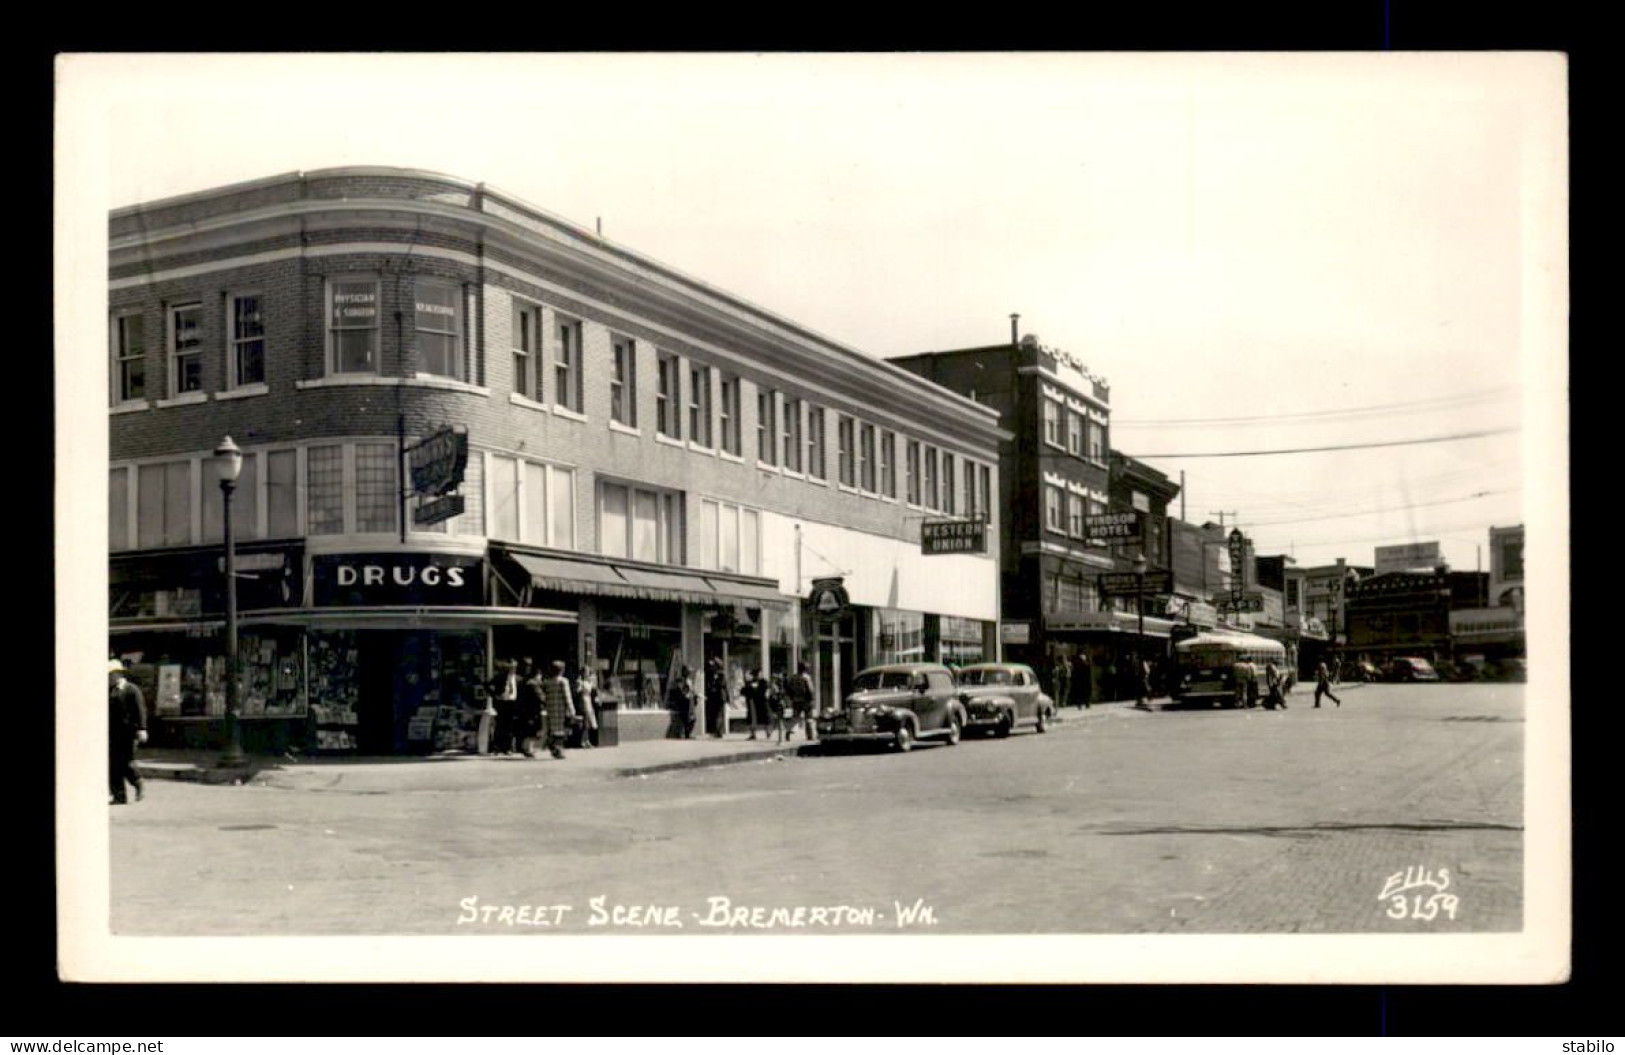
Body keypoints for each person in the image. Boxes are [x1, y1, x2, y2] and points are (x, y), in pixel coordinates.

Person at [108, 659, 148, 805]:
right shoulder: (108, 691)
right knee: (112, 764)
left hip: (128, 733)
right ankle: (118, 795)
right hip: (112, 733)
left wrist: (142, 728)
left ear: (118, 674)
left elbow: (140, 710)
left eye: (111, 675)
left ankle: (137, 782)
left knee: (126, 761)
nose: (109, 679)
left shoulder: (131, 690)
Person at [540, 660, 576, 759]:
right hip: (560, 709)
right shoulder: (563, 681)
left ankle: (554, 749)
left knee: (553, 730)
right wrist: (572, 710)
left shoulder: (547, 682)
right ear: (561, 670)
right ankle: (558, 750)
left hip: (550, 708)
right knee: (560, 731)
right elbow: (567, 697)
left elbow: (545, 695)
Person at [487, 659, 520, 755]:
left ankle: (507, 748)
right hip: (502, 703)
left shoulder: (518, 678)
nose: (512, 669)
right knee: (500, 726)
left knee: (510, 727)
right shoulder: (500, 677)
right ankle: (497, 747)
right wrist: (494, 695)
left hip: (513, 703)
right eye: (511, 667)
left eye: (514, 667)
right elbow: (487, 685)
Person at [785, 661, 816, 741]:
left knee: (795, 717)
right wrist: (812, 699)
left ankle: (789, 731)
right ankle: (810, 735)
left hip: (796, 700)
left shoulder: (793, 677)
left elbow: (788, 689)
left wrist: (792, 697)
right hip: (806, 700)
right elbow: (810, 690)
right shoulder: (806, 677)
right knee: (809, 717)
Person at [573, 665, 599, 748]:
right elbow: (577, 691)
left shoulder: (589, 682)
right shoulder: (579, 681)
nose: (587, 674)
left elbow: (594, 690)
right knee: (585, 721)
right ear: (583, 673)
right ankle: (583, 741)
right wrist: (580, 686)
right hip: (583, 701)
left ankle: (587, 740)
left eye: (588, 672)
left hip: (588, 701)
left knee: (589, 722)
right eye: (586, 672)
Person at [742, 669, 771, 741]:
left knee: (764, 717)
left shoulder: (764, 682)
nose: (759, 676)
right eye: (758, 674)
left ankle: (767, 732)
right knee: (752, 718)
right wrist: (749, 687)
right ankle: (753, 734)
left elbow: (765, 690)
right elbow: (743, 691)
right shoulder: (749, 683)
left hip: (761, 702)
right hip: (752, 703)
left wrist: (755, 689)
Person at [669, 665, 697, 739]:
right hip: (685, 702)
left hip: (690, 701)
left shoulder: (689, 680)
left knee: (692, 718)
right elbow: (682, 691)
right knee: (687, 718)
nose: (689, 673)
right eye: (688, 672)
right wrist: (687, 695)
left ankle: (688, 733)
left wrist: (695, 695)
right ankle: (686, 734)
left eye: (690, 672)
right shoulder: (681, 680)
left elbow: (692, 690)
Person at [704, 657, 727, 738]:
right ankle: (718, 731)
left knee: (718, 714)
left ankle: (718, 732)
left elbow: (721, 685)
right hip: (718, 697)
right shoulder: (718, 674)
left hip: (719, 697)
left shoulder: (719, 674)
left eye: (714, 665)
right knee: (718, 714)